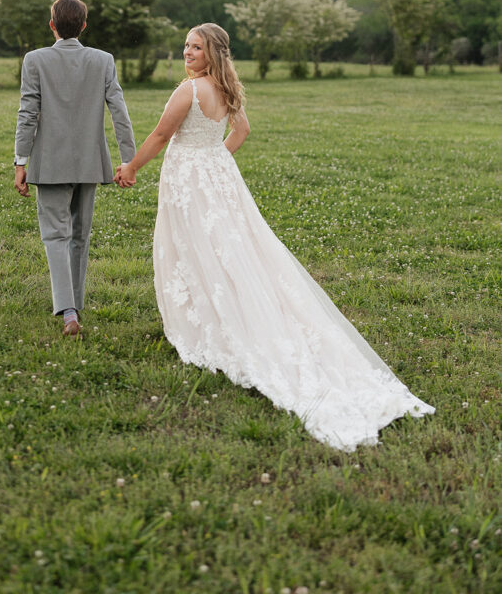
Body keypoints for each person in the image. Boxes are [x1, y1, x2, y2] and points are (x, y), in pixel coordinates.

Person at [116, 23, 434, 451]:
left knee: (194, 247)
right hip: (214, 178)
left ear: (212, 52)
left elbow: (159, 136)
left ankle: (210, 322)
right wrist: (212, 162)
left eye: (195, 47)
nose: (187, 52)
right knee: (230, 248)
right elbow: (240, 133)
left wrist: (132, 167)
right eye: (186, 46)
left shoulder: (187, 92)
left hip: (191, 181)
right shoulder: (227, 90)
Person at [15, 0, 136, 337]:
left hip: (48, 163)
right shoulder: (103, 60)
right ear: (84, 25)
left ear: (52, 24)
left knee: (56, 235)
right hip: (89, 162)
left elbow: (27, 113)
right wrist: (128, 159)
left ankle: (69, 312)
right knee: (79, 236)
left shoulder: (34, 60)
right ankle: (74, 306)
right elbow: (119, 112)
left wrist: (19, 162)